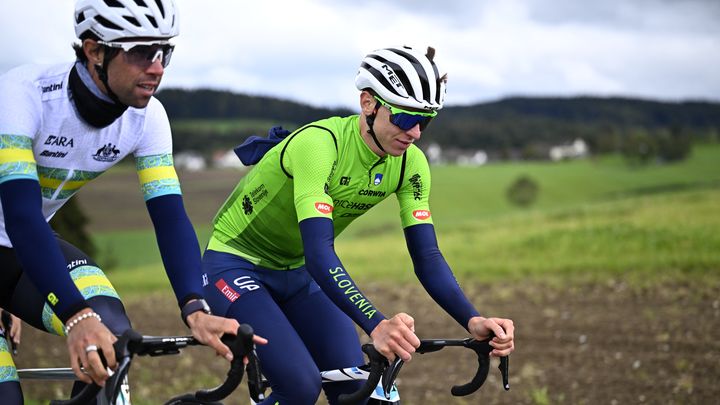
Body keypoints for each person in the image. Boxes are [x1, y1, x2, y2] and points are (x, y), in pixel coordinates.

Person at [201, 45, 516, 404]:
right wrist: (376, 324)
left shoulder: (410, 164)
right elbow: (320, 252)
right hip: (236, 265)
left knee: (358, 387)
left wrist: (472, 320)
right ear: (368, 103)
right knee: (300, 387)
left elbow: (426, 256)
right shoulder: (320, 145)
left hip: (299, 272)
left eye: (425, 120)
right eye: (403, 118)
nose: (415, 132)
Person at [0, 1, 264, 403]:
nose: (157, 68)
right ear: (94, 51)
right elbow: (21, 216)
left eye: (164, 53)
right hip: (22, 235)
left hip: (18, 252)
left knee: (111, 334)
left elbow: (170, 217)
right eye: (142, 52)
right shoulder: (23, 95)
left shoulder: (148, 118)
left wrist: (195, 305)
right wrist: (75, 315)